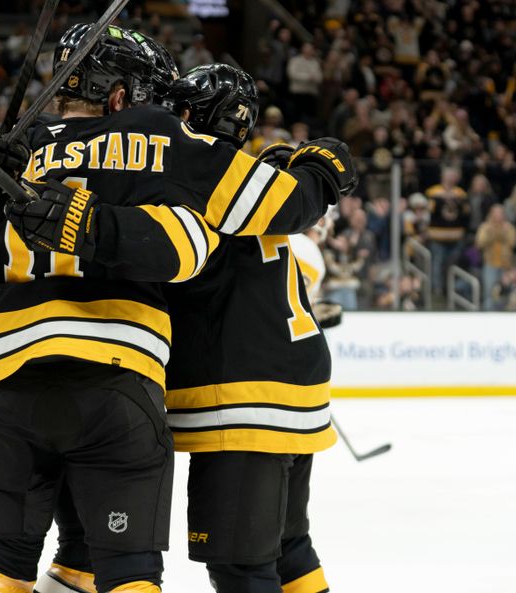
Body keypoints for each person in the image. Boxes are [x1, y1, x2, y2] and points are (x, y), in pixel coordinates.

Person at [0, 24, 349, 593]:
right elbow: (193, 249)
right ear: (121, 96)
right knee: (145, 568)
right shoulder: (163, 140)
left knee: (8, 570)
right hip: (123, 386)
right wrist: (324, 169)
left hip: (5, 387)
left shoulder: (11, 152)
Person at [24, 63, 353, 593]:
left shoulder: (188, 181)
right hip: (299, 388)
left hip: (237, 398)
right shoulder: (256, 184)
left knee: (241, 565)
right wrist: (315, 174)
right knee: (289, 547)